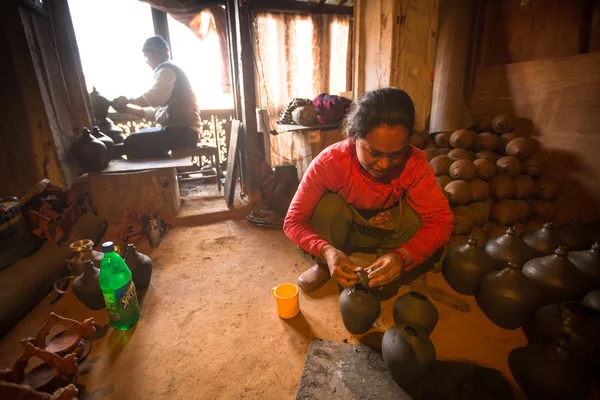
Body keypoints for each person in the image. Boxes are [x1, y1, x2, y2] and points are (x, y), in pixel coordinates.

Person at [283, 87, 454, 293]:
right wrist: (326, 251)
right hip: (346, 229)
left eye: (396, 154)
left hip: (386, 230)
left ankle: (387, 264)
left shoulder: (414, 163)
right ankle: (324, 265)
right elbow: (293, 221)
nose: (384, 164)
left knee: (417, 218)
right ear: (354, 136)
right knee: (328, 207)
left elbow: (441, 221)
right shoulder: (331, 163)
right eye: (374, 152)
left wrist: (402, 256)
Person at [112, 36, 200, 159]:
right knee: (136, 139)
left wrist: (128, 100)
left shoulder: (166, 70)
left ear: (157, 55)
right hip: (182, 133)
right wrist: (127, 109)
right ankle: (167, 172)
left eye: (147, 56)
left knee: (132, 142)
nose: (147, 61)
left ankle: (163, 174)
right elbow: (154, 112)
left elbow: (153, 98)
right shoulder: (168, 71)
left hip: (184, 134)